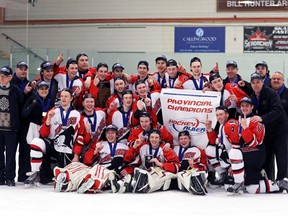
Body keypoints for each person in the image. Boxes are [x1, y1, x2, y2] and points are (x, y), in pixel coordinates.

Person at [225, 97, 288, 194]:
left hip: (257, 153)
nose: (244, 108)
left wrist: (245, 128)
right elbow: (237, 142)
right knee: (252, 188)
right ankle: (277, 184)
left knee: (234, 152)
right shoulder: (238, 120)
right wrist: (233, 164)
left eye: (247, 106)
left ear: (252, 107)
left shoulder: (257, 122)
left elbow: (254, 143)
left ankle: (239, 182)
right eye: (242, 106)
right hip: (246, 154)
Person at [24, 88, 84, 186]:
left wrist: (76, 155)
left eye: (66, 96)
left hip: (68, 149)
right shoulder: (52, 112)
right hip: (53, 145)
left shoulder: (77, 115)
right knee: (36, 142)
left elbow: (80, 136)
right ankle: (35, 173)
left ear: (71, 98)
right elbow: (43, 134)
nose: (63, 98)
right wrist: (48, 120)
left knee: (66, 178)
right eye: (62, 96)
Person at [249, 72, 288, 181]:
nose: (255, 85)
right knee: (267, 157)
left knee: (282, 158)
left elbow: (278, 110)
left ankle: (283, 181)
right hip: (266, 132)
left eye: (258, 82)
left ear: (263, 83)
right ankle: (269, 181)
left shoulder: (271, 93)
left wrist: (262, 118)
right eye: (253, 83)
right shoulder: (252, 96)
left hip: (280, 130)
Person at [75, 124, 129, 193]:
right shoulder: (99, 144)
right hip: (102, 169)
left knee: (117, 161)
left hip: (116, 171)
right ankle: (87, 183)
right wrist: (96, 151)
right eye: (108, 133)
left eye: (112, 133)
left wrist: (127, 170)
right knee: (94, 168)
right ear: (105, 135)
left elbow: (129, 161)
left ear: (117, 134)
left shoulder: (124, 147)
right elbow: (86, 161)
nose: (110, 135)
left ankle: (98, 184)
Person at [21, 81, 54, 184]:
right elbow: (24, 114)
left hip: (45, 128)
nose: (44, 90)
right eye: (41, 89)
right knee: (30, 151)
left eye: (46, 89)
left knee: (43, 152)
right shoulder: (32, 99)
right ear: (37, 90)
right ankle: (28, 174)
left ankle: (43, 176)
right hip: (32, 128)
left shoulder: (50, 101)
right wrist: (32, 106)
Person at [0, 66, 24, 186]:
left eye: (4, 76)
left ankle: (10, 177)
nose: (2, 78)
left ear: (10, 77)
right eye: (1, 75)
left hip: (11, 128)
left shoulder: (15, 90)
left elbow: (20, 103)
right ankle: (0, 177)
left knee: (11, 154)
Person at [11, 61, 35, 182]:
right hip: (12, 122)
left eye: (25, 69)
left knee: (25, 149)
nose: (23, 71)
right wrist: (24, 93)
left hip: (25, 121)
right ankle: (8, 176)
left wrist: (30, 92)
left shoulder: (28, 83)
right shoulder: (10, 82)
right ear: (16, 69)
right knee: (11, 150)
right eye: (21, 69)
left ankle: (23, 175)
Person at [174, 130, 208, 195]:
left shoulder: (197, 150)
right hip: (175, 175)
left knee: (186, 164)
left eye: (185, 138)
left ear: (189, 139)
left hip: (189, 173)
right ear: (178, 140)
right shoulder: (174, 148)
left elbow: (205, 167)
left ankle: (197, 186)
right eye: (181, 139)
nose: (183, 141)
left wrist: (193, 166)